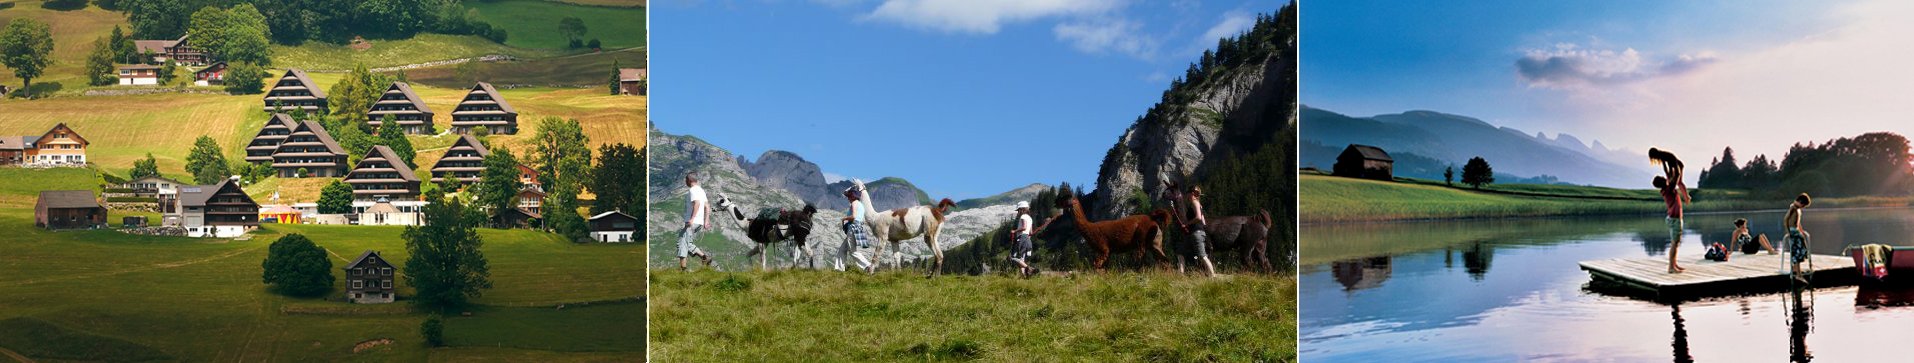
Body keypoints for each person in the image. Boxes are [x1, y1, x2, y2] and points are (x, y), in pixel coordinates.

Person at [1652, 151, 1691, 274]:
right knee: (1674, 243)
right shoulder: (1669, 189)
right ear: (1663, 183)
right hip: (1674, 219)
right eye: (1663, 179)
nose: (1665, 178)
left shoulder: (1665, 189)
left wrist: (1665, 162)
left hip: (1672, 218)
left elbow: (1668, 174)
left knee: (1675, 243)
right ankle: (1671, 267)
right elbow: (1677, 174)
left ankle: (1674, 264)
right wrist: (1674, 162)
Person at [677, 174, 714, 271]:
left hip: (692, 222)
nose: (685, 182)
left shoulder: (692, 190)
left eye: (685, 180)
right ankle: (704, 258)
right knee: (686, 242)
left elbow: (697, 203)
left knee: (682, 242)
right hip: (699, 222)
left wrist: (692, 219)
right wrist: (706, 221)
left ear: (688, 180)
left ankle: (684, 269)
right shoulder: (701, 191)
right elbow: (707, 206)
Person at [1181, 185, 1218, 277]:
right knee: (1180, 252)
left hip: (1196, 233)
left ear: (1192, 193)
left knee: (1202, 256)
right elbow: (1203, 221)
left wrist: (1187, 224)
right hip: (1195, 233)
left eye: (1188, 193)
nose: (1187, 195)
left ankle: (1213, 276)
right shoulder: (1198, 204)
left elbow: (1198, 217)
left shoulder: (1194, 203)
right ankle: (1180, 274)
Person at [837, 183, 875, 273]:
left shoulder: (854, 203)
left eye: (849, 196)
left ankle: (868, 266)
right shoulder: (861, 205)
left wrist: (844, 219)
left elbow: (853, 216)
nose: (848, 198)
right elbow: (860, 218)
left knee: (853, 251)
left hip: (852, 227)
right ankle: (838, 269)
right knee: (842, 249)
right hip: (858, 227)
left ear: (852, 196)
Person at [1784, 193, 1813, 275]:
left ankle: (1796, 269)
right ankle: (1797, 271)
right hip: (1793, 231)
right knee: (1797, 251)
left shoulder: (1798, 209)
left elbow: (1798, 222)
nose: (1803, 207)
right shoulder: (1793, 208)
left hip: (1796, 231)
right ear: (1800, 202)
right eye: (1803, 205)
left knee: (1801, 250)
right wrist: (1788, 232)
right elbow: (1786, 219)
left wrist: (1801, 230)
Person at [1007, 201, 1038, 278]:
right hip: (1027, 239)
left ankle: (1029, 268)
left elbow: (1024, 227)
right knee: (1022, 259)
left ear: (1022, 209)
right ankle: (1024, 277)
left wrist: (1014, 231)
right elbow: (1030, 232)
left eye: (1018, 210)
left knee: (1012, 257)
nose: (1018, 212)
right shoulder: (1030, 218)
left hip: (1021, 238)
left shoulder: (1023, 216)